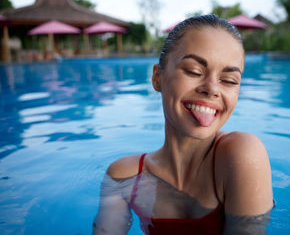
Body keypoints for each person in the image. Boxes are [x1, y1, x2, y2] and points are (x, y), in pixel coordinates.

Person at [93, 14, 273, 235]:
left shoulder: (242, 154)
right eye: (194, 71)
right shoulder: (125, 177)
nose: (212, 88)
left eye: (229, 81)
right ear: (157, 77)